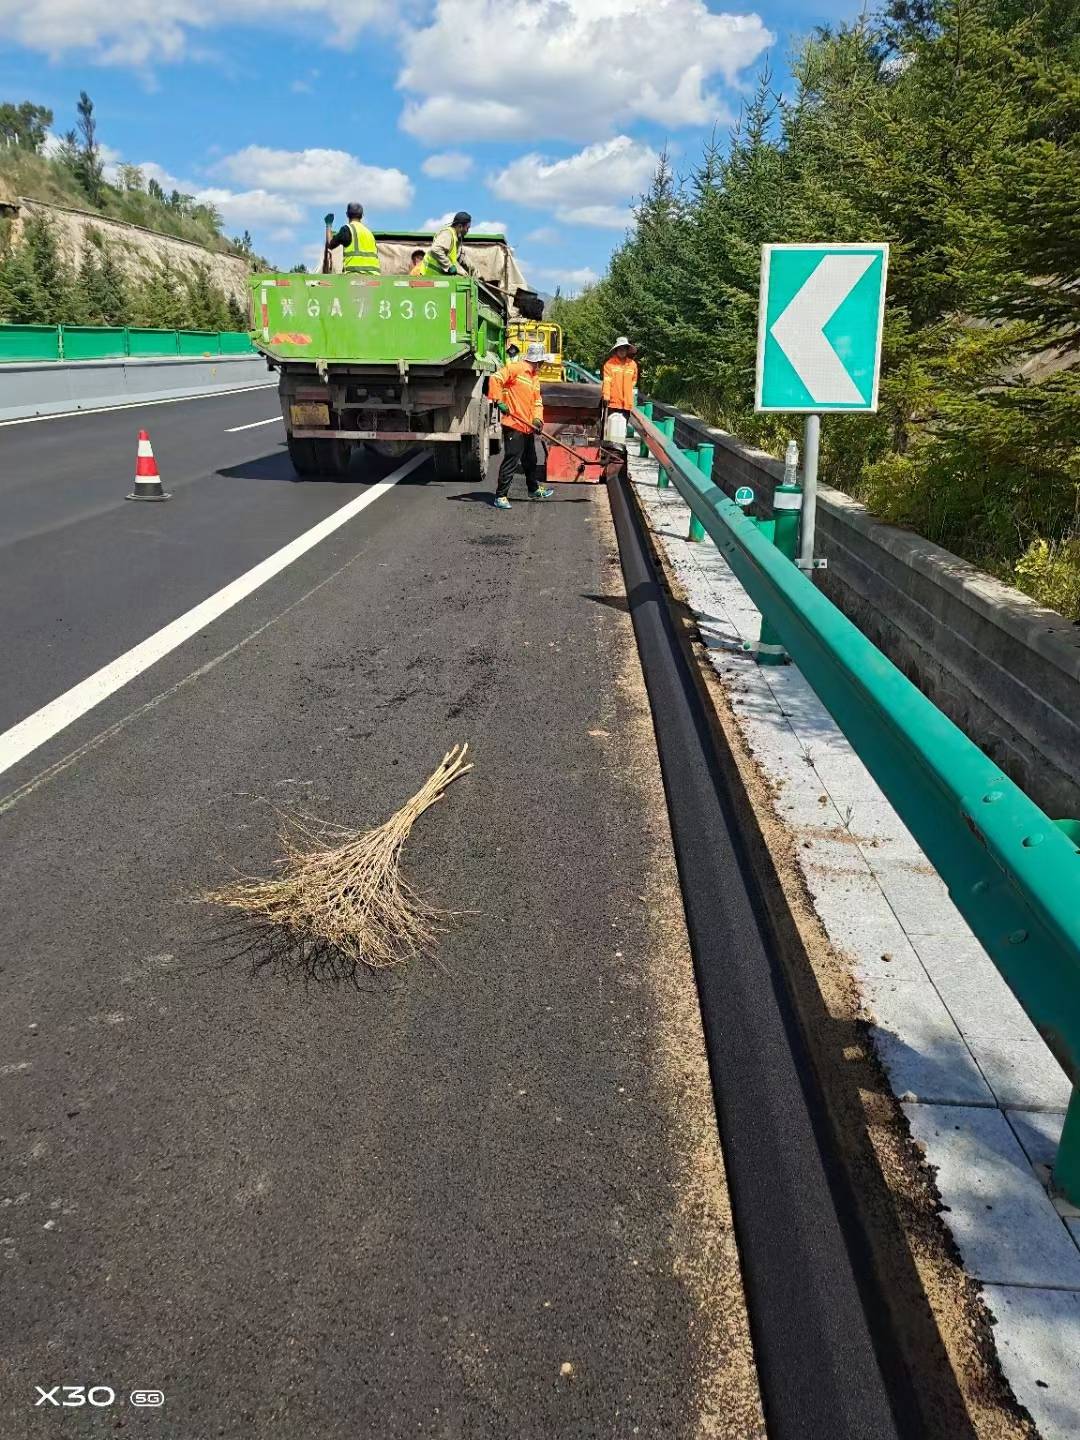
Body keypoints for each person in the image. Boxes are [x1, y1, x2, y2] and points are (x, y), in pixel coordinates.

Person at [488, 341, 554, 509]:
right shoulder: (516, 369)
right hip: (514, 423)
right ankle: (500, 496)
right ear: (537, 360)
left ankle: (533, 489)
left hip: (527, 425)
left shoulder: (534, 377)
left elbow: (537, 401)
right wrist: (498, 400)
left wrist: (538, 420)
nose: (542, 365)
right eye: (542, 362)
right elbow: (495, 379)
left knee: (530, 459)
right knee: (512, 460)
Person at [324, 203, 380, 273]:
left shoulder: (347, 229)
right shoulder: (369, 233)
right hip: (375, 277)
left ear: (347, 214)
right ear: (362, 216)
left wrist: (328, 225)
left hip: (354, 277)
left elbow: (330, 244)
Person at [602, 336, 638, 442]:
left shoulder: (632, 365)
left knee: (621, 429)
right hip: (612, 402)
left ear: (627, 350)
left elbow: (634, 381)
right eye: (620, 348)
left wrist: (628, 392)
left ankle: (619, 448)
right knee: (610, 429)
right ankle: (608, 448)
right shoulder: (609, 364)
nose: (622, 351)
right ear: (616, 350)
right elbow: (607, 381)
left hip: (626, 404)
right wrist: (606, 396)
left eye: (624, 348)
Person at [422, 211, 473, 277]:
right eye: (467, 228)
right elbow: (436, 249)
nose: (467, 231)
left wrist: (478, 276)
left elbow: (464, 260)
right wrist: (449, 266)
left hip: (438, 278)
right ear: (460, 226)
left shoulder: (456, 240)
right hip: (429, 276)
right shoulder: (447, 234)